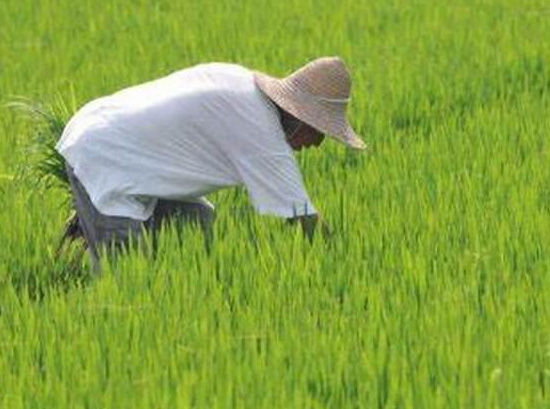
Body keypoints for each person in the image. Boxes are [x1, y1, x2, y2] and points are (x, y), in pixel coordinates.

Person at [55, 56, 366, 274]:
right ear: (300, 118)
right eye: (319, 131)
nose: (317, 144)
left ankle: (182, 296)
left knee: (199, 226)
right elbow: (302, 218)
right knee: (127, 280)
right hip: (104, 155)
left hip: (109, 136)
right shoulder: (261, 132)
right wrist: (348, 263)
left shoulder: (241, 83)